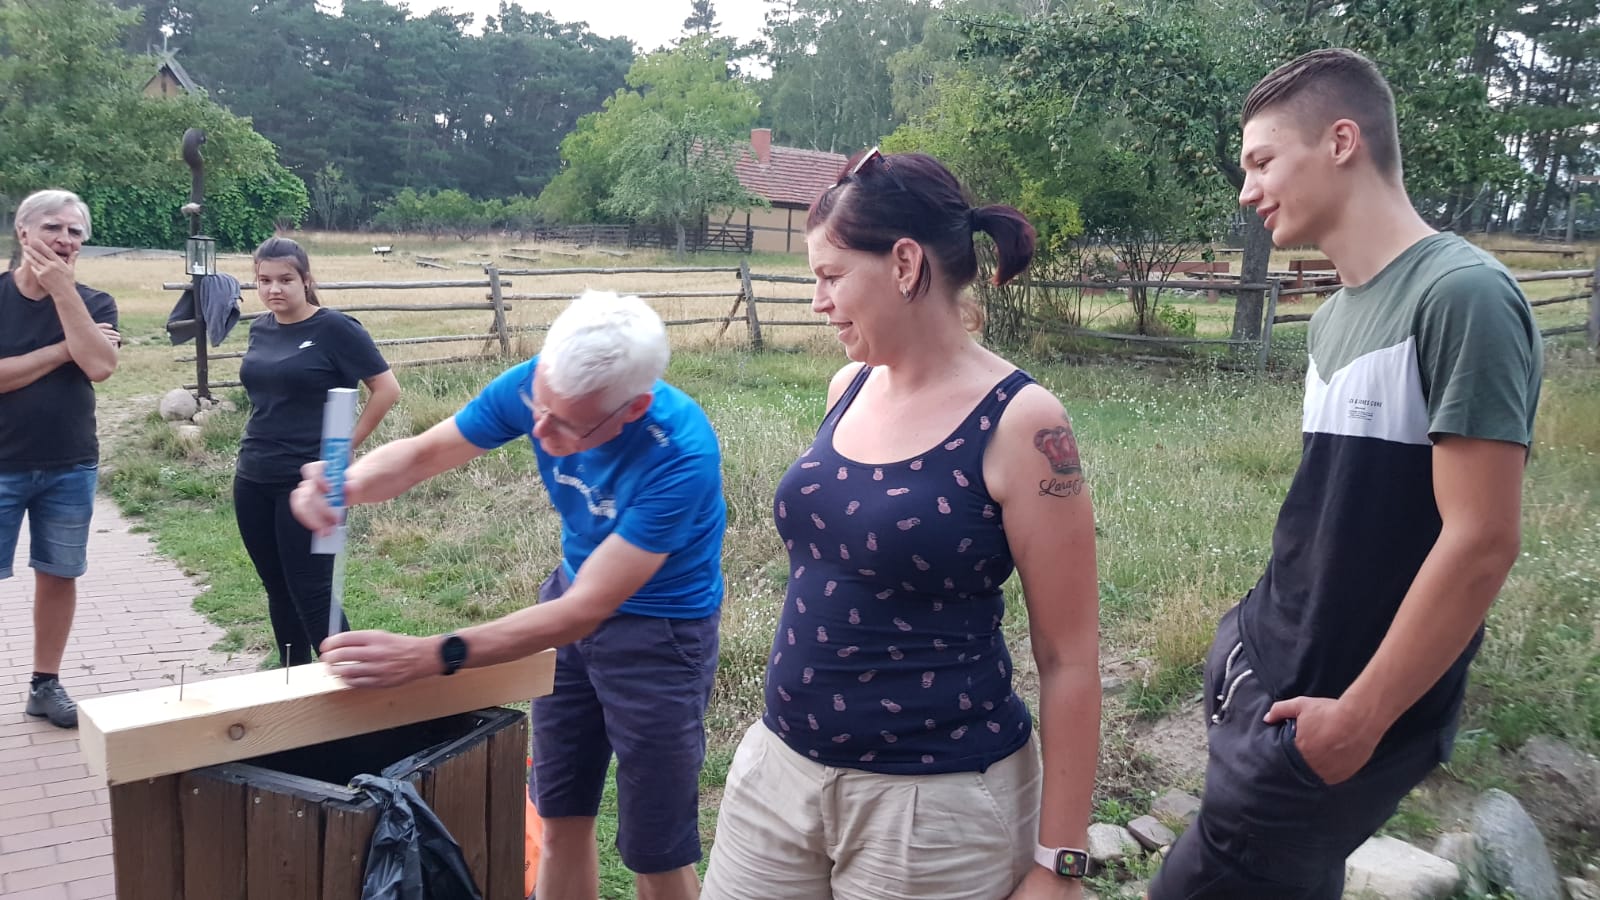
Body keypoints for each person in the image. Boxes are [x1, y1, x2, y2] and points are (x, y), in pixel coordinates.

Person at [1147, 49, 1542, 900]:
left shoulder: (1461, 296)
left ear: (1340, 141)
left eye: (1261, 161)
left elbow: (1482, 541)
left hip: (1343, 709)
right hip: (1273, 670)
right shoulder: (1332, 319)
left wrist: (1361, 719)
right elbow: (1332, 512)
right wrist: (1238, 643)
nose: (1247, 191)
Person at [700, 149, 1101, 900]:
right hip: (779, 774)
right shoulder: (847, 386)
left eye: (831, 276)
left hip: (935, 810)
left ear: (906, 264)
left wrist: (1060, 864)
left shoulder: (1024, 422)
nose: (818, 302)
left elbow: (1069, 656)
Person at [290, 291, 726, 900]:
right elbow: (424, 454)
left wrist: (432, 654)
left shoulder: (680, 456)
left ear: (634, 408)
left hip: (660, 637)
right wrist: (346, 486)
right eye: (538, 409)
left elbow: (585, 610)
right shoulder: (541, 382)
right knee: (560, 814)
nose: (540, 432)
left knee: (655, 848)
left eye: (566, 423)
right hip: (569, 597)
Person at [235, 237, 399, 666]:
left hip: (312, 481)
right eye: (264, 280)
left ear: (306, 280)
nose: (274, 289)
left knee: (312, 593)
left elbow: (386, 390)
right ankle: (294, 684)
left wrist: (342, 450)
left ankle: (350, 688)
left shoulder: (335, 329)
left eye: (285, 279)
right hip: (253, 476)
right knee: (277, 589)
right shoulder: (260, 328)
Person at [0, 189, 120, 729]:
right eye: (53, 227)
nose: (65, 239)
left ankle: (44, 685)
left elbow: (99, 366)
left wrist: (64, 294)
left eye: (75, 232)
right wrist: (62, 350)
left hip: (70, 465)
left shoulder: (95, 303)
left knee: (58, 574)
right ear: (23, 232)